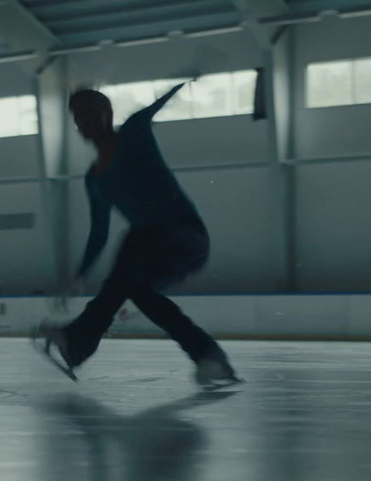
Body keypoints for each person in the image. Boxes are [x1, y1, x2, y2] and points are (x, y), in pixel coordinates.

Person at [36, 80, 239, 388]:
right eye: (77, 116)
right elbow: (99, 232)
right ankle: (211, 359)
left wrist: (187, 79)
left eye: (90, 113)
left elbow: (153, 107)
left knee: (134, 239)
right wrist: (78, 275)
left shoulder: (133, 134)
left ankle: (77, 339)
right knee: (140, 291)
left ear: (107, 113)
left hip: (187, 240)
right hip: (152, 250)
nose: (83, 122)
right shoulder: (94, 179)